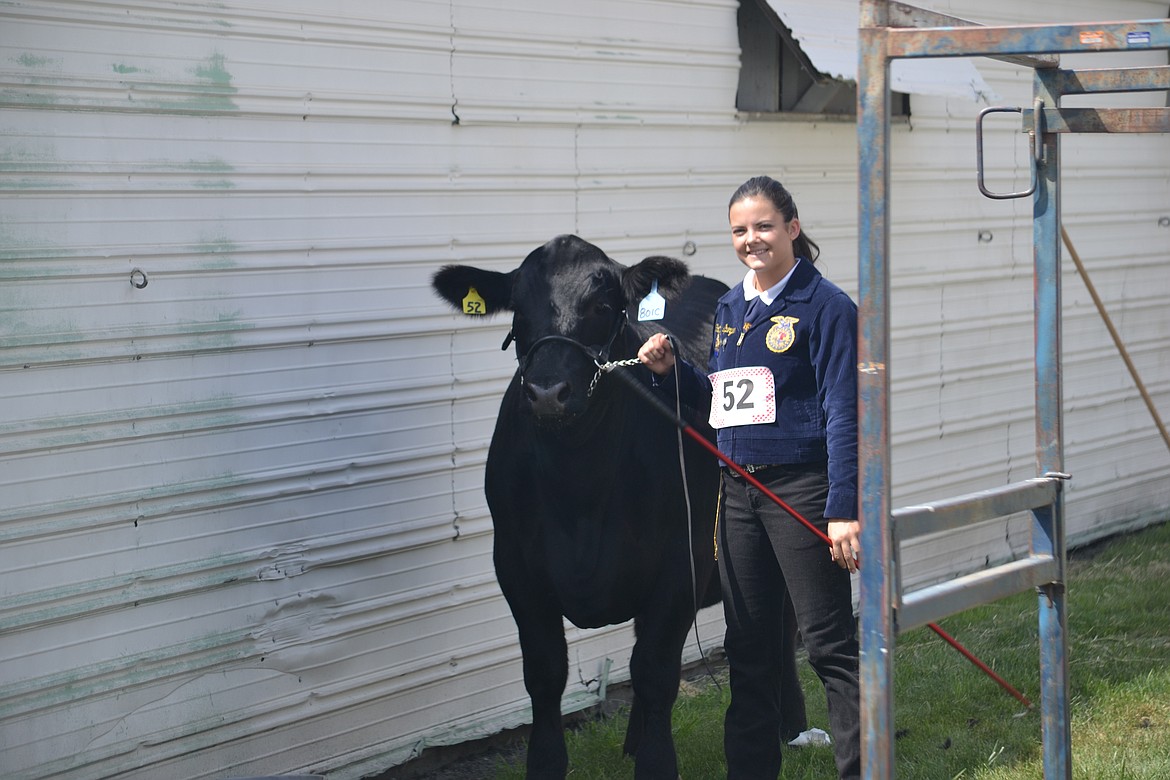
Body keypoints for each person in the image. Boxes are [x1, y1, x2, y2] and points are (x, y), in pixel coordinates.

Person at [638, 175, 861, 779]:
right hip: (736, 495)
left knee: (829, 645)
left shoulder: (828, 308)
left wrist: (843, 506)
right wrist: (672, 373)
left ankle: (862, 768)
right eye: (739, 230)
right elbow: (724, 404)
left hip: (802, 490)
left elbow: (845, 409)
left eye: (763, 226)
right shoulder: (732, 307)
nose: (751, 240)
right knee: (750, 648)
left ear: (792, 228)